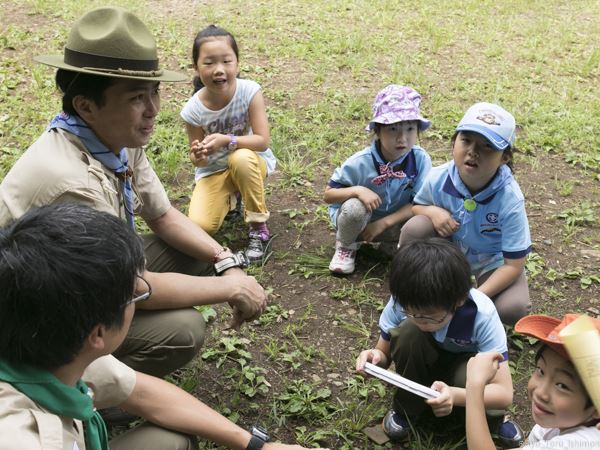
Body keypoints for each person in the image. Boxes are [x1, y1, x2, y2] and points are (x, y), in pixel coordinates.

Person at [0, 6, 267, 379]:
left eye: (154, 92)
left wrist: (225, 260)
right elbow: (128, 286)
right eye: (137, 98)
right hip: (37, 313)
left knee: (196, 250)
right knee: (181, 331)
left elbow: (161, 214)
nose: (154, 110)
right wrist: (229, 289)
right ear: (86, 105)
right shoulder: (73, 183)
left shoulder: (115, 138)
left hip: (81, 275)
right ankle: (91, 394)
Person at [0, 203, 327, 450]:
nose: (141, 296)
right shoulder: (22, 436)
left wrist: (258, 446)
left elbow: (144, 393)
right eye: (133, 296)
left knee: (171, 439)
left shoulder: (47, 345)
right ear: (97, 334)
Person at [356, 238, 521, 446]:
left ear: (459, 300)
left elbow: (504, 393)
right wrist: (375, 359)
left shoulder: (481, 314)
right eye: (412, 313)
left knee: (471, 374)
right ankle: (407, 410)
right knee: (408, 333)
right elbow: (384, 353)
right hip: (426, 361)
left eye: (431, 317)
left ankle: (493, 422)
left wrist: (455, 394)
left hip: (465, 369)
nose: (420, 321)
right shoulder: (402, 301)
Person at [400, 102, 531, 326]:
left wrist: (474, 296)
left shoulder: (510, 198)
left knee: (514, 308)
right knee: (416, 228)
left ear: (505, 158)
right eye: (466, 140)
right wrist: (433, 211)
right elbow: (417, 206)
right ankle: (410, 289)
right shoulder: (439, 176)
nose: (473, 151)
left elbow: (513, 265)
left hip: (491, 261)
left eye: (487, 146)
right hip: (449, 251)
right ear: (454, 143)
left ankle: (472, 309)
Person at [181, 25, 276, 262]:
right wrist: (198, 155)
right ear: (195, 67)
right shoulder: (192, 110)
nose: (219, 70)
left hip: (251, 162)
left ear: (237, 63)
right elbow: (195, 157)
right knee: (201, 227)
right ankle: (233, 198)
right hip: (214, 170)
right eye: (209, 63)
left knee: (240, 158)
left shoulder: (250, 91)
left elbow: (262, 141)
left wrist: (228, 140)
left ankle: (258, 229)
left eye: (226, 61)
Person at [324, 85, 432, 275]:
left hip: (394, 221)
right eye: (392, 129)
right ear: (378, 131)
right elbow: (329, 195)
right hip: (360, 222)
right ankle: (347, 245)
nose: (402, 138)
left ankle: (392, 244)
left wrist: (384, 223)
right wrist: (357, 190)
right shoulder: (361, 162)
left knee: (428, 214)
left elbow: (419, 202)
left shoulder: (420, 159)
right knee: (354, 209)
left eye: (410, 129)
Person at [466, 314, 600, 449]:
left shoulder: (575, 445)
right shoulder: (558, 422)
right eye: (541, 371)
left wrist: (475, 385)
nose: (541, 392)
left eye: (562, 385)